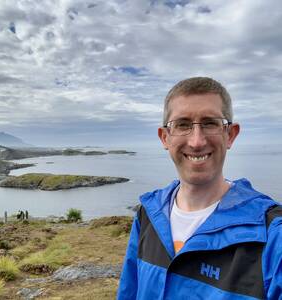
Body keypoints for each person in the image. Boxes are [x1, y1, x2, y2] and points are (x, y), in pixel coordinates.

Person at [117, 77, 282, 300]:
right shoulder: (147, 216)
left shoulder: (271, 234)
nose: (196, 141)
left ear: (230, 134)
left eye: (210, 123)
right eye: (183, 124)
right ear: (165, 137)